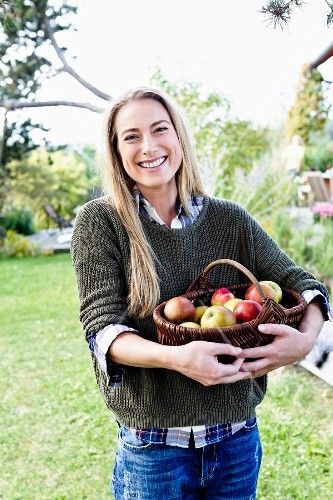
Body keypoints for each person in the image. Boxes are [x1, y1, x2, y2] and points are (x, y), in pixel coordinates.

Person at [71, 87, 331, 499]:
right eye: (132, 136)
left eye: (160, 130)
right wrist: (177, 358)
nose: (149, 147)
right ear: (116, 149)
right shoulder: (100, 223)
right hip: (154, 451)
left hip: (236, 443)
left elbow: (306, 285)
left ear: (179, 137)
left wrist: (303, 342)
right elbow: (102, 330)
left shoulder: (229, 219)